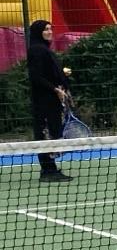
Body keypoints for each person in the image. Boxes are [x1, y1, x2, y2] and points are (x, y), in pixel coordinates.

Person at [26, 19, 72, 181]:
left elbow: (48, 72)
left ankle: (50, 168)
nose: (49, 32)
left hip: (52, 101)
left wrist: (62, 78)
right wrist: (55, 89)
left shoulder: (44, 49)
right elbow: (36, 76)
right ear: (38, 32)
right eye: (46, 29)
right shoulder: (37, 50)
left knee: (52, 132)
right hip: (43, 101)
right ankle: (48, 171)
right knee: (45, 133)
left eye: (50, 29)